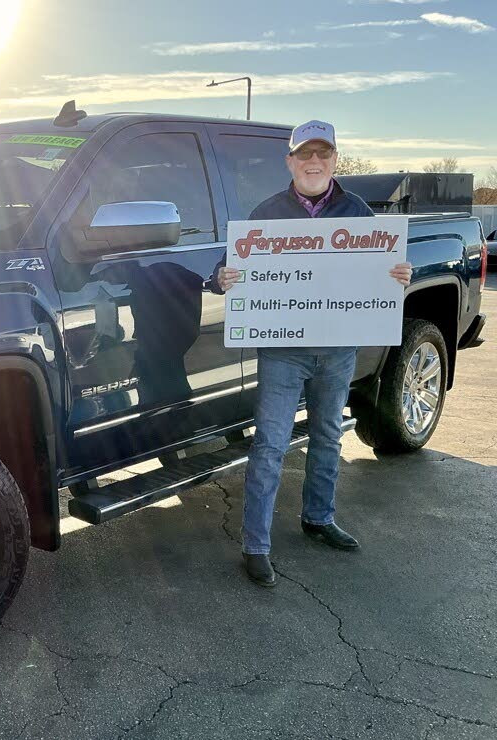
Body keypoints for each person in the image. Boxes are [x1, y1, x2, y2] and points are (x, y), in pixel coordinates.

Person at [217, 120, 413, 587]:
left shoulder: (357, 210)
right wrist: (222, 277)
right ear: (290, 161)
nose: (314, 161)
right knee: (270, 446)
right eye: (305, 153)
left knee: (327, 436)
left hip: (337, 350)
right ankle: (256, 545)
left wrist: (400, 275)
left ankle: (319, 518)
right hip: (283, 353)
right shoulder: (266, 213)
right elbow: (228, 266)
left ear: (335, 161)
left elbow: (381, 267)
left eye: (323, 153)